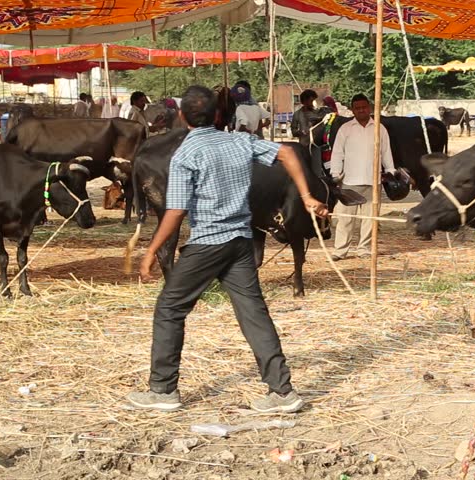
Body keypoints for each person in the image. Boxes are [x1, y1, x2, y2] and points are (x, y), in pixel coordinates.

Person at [128, 85, 329, 413]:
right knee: (254, 313)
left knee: (169, 308)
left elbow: (176, 211)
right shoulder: (239, 140)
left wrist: (151, 251)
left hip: (208, 243)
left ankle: (163, 390)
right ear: (218, 115)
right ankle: (282, 392)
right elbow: (288, 154)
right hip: (240, 241)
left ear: (181, 116)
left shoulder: (186, 154)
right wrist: (307, 196)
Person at [329, 93, 396, 261]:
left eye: (364, 107)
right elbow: (337, 153)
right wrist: (335, 174)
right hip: (350, 181)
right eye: (357, 108)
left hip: (373, 181)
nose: (361, 111)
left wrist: (390, 170)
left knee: (369, 220)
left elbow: (386, 152)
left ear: (370, 108)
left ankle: (364, 249)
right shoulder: (345, 129)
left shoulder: (379, 128)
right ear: (352, 110)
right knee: (345, 219)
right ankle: (340, 250)